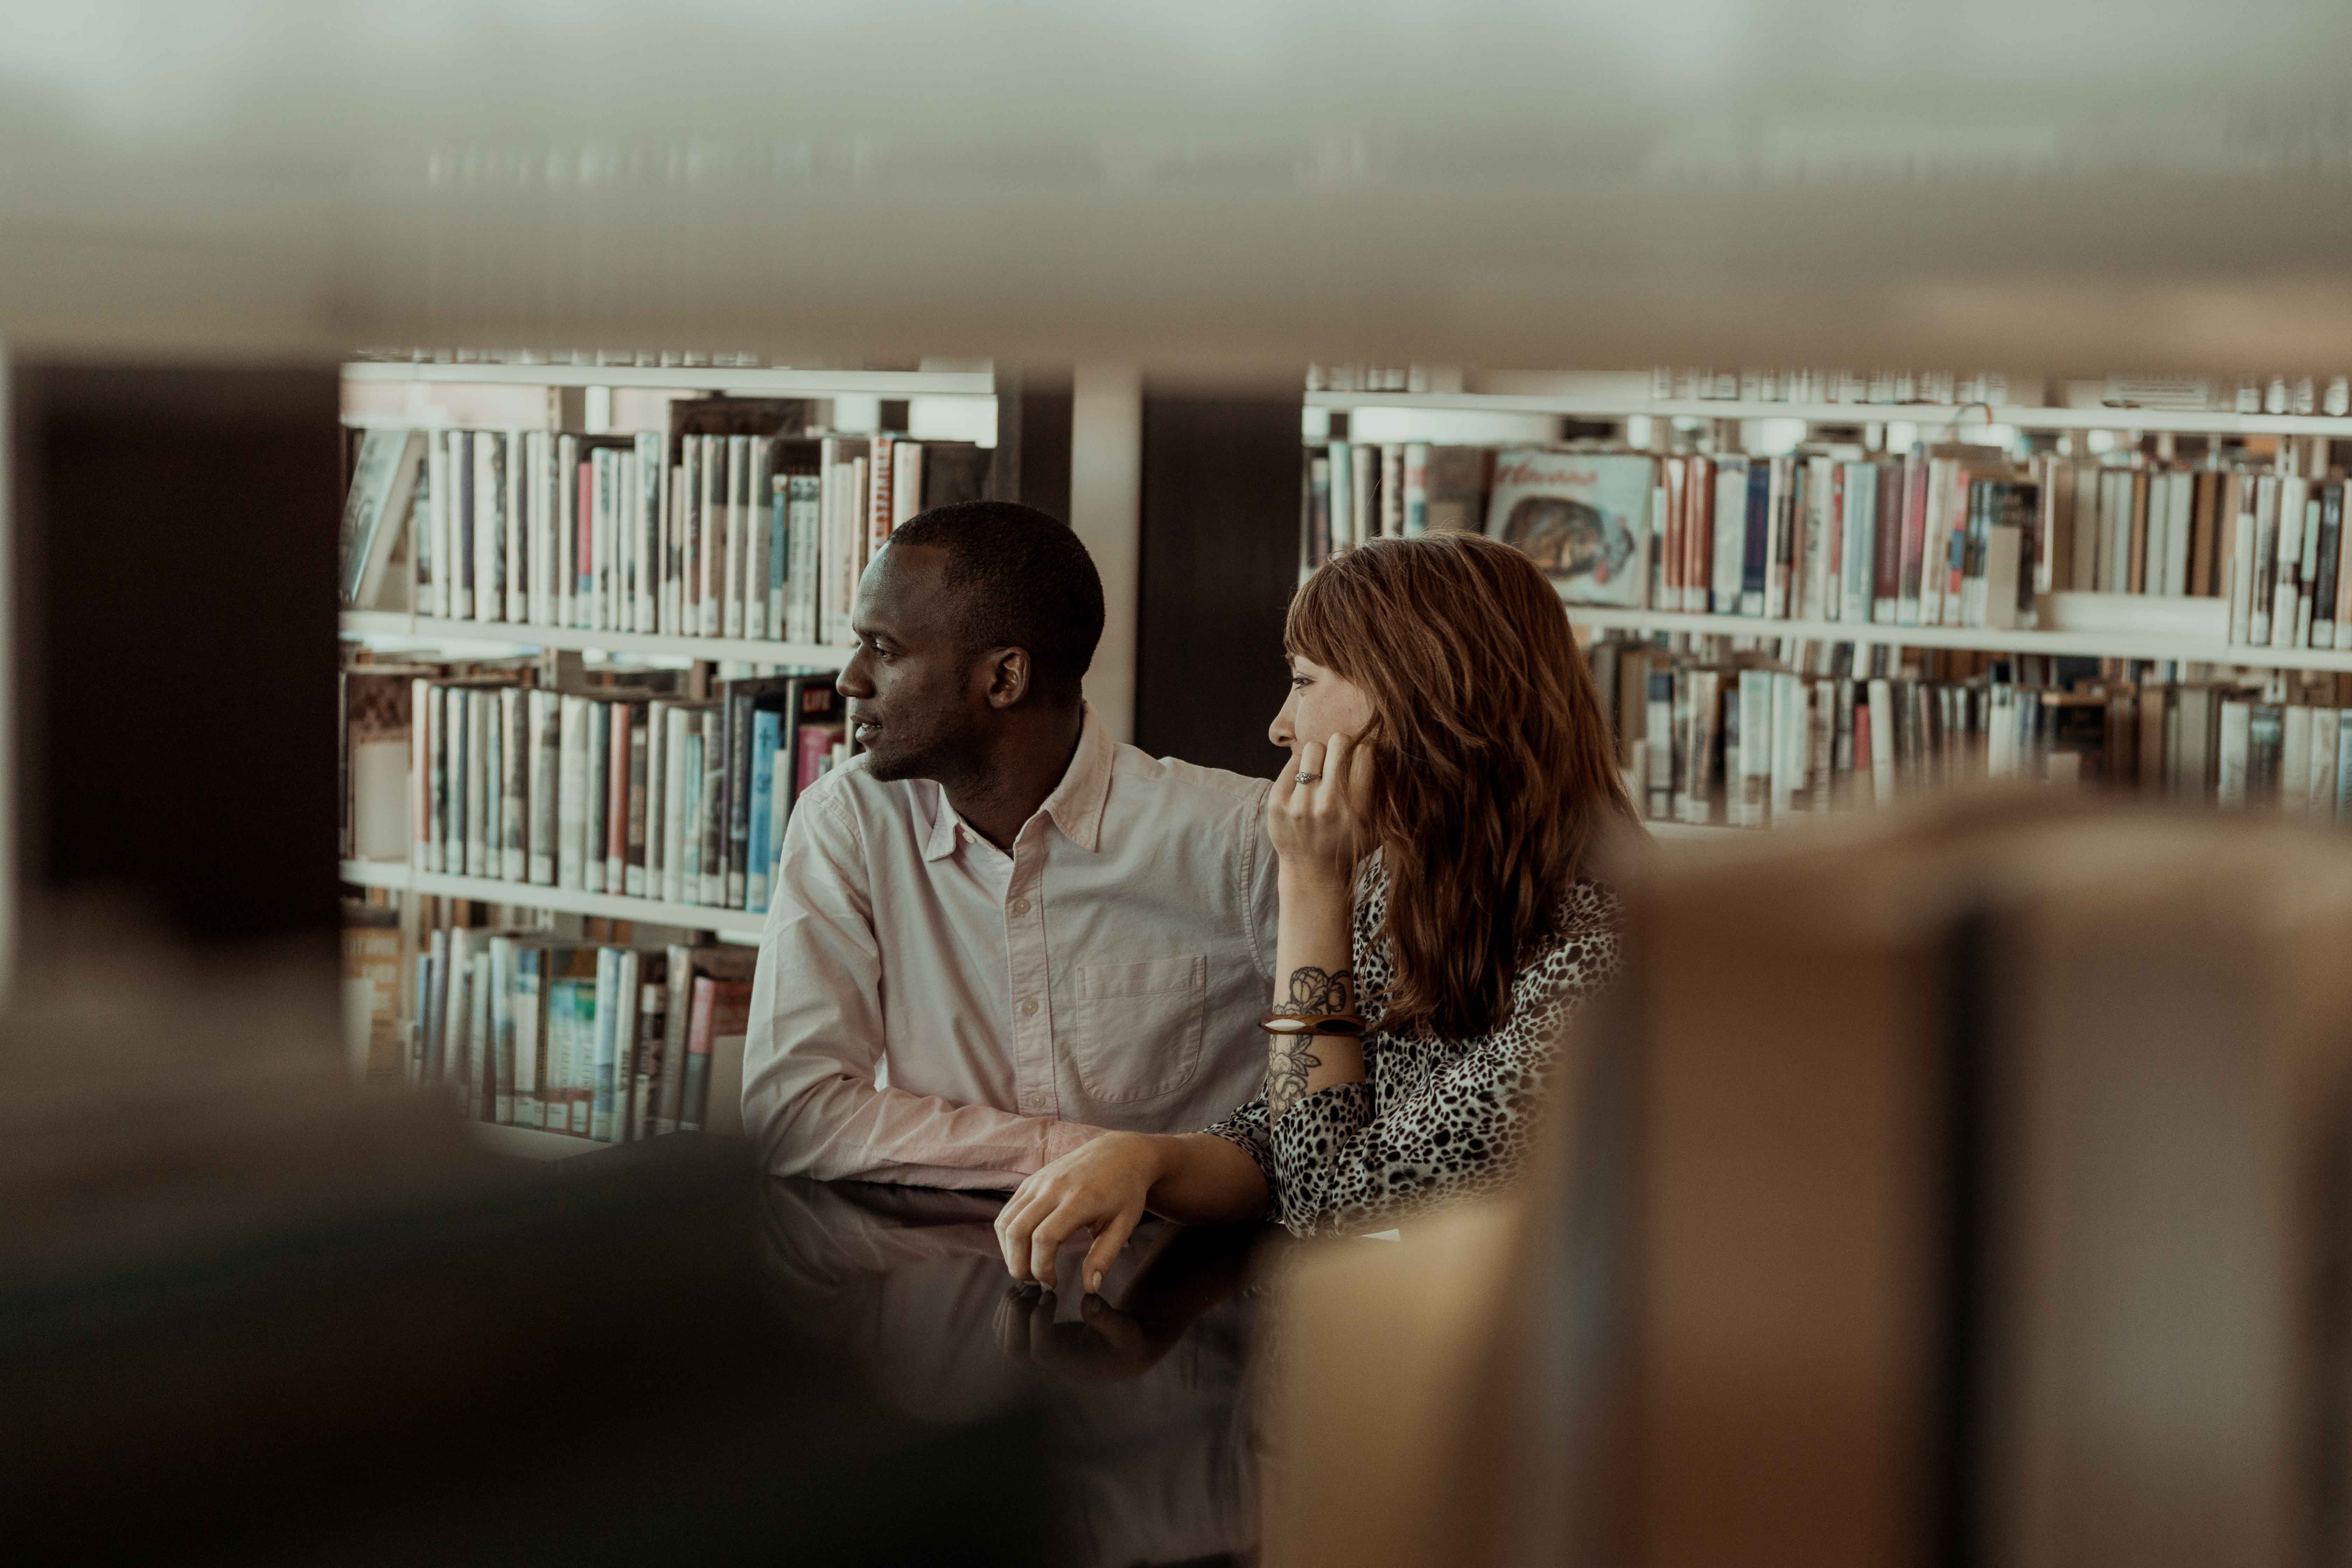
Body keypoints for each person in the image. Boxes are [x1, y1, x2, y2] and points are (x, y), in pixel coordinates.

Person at [994, 531, 1638, 1292]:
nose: (1280, 724)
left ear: (1414, 692)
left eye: (1303, 681)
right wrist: (1150, 1157)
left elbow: (1328, 1202)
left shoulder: (1600, 958)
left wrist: (1309, 886)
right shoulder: (1410, 880)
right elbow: (1297, 1128)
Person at [741, 500, 1279, 1189]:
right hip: (932, 1269)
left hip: (1171, 1278)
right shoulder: (849, 821)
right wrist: (1090, 1158)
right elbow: (794, 1112)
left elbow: (1341, 1113)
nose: (850, 679)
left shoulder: (1240, 840)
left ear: (1004, 679)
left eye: (884, 649)